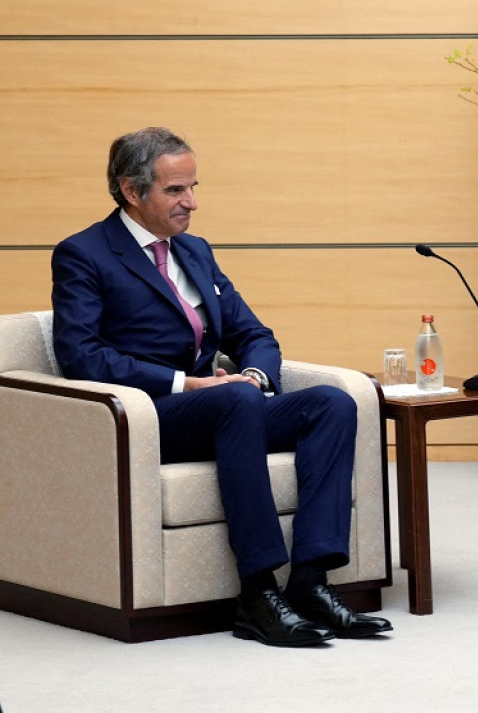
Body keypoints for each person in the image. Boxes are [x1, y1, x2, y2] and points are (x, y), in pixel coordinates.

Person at [51, 127, 392, 647]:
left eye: (193, 187)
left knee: (331, 403)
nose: (192, 202)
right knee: (232, 398)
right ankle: (257, 593)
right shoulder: (85, 254)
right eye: (175, 191)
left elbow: (253, 333)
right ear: (131, 190)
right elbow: (81, 354)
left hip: (230, 406)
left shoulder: (195, 251)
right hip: (153, 415)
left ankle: (309, 582)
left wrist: (255, 375)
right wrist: (188, 384)